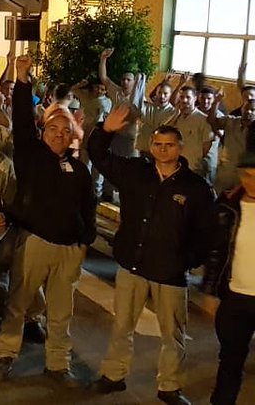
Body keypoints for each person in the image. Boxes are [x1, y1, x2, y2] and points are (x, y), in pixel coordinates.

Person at [88, 104, 212, 405]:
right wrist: (105, 130)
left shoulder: (196, 188)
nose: (162, 150)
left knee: (172, 335)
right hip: (132, 266)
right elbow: (99, 157)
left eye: (169, 145)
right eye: (157, 144)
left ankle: (169, 386)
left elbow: (207, 233)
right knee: (122, 327)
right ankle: (113, 375)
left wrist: (185, 261)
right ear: (151, 145)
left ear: (180, 147)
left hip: (170, 274)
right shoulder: (137, 172)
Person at [0, 54, 97, 385]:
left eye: (65, 130)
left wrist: (85, 240)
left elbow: (88, 206)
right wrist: (23, 79)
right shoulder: (30, 154)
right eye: (53, 128)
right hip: (34, 242)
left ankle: (58, 363)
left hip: (69, 250)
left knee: (61, 312)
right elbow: (22, 119)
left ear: (72, 135)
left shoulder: (79, 169)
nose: (59, 135)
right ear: (43, 130)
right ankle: (5, 354)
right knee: (18, 303)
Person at [200, 154, 255, 405]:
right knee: (231, 360)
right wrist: (210, 291)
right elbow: (216, 251)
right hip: (235, 298)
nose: (251, 182)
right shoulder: (229, 206)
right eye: (246, 175)